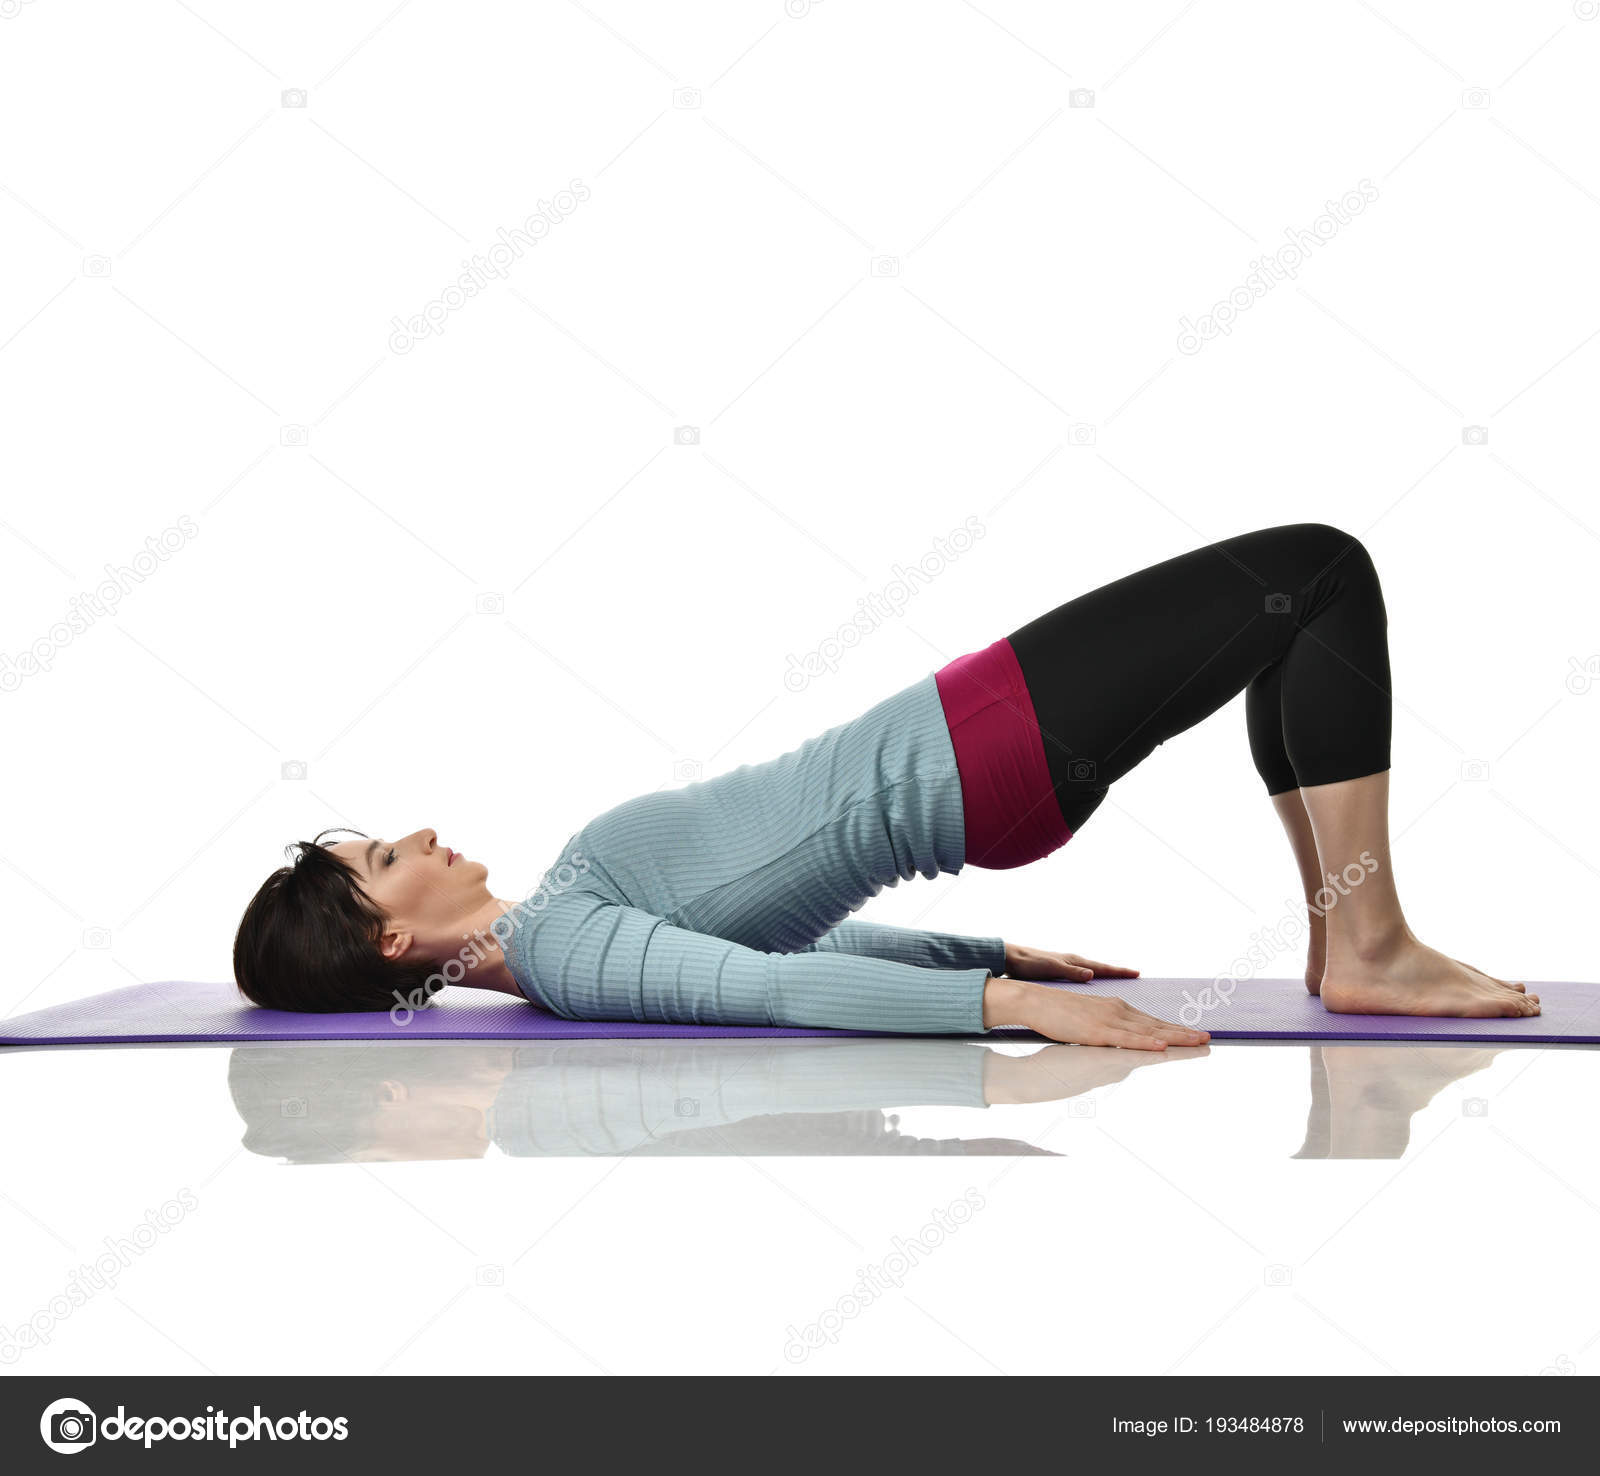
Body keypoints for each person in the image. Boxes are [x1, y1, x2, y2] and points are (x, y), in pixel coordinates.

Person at [232, 524, 1536, 1048]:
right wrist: (1007, 1005)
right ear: (395, 936)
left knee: (1282, 618)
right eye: (386, 858)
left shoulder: (554, 942)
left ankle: (1345, 937)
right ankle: (1366, 939)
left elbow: (776, 932)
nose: (419, 834)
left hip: (973, 745)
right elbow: (775, 989)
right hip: (979, 750)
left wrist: (975, 945)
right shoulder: (568, 952)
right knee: (1312, 574)